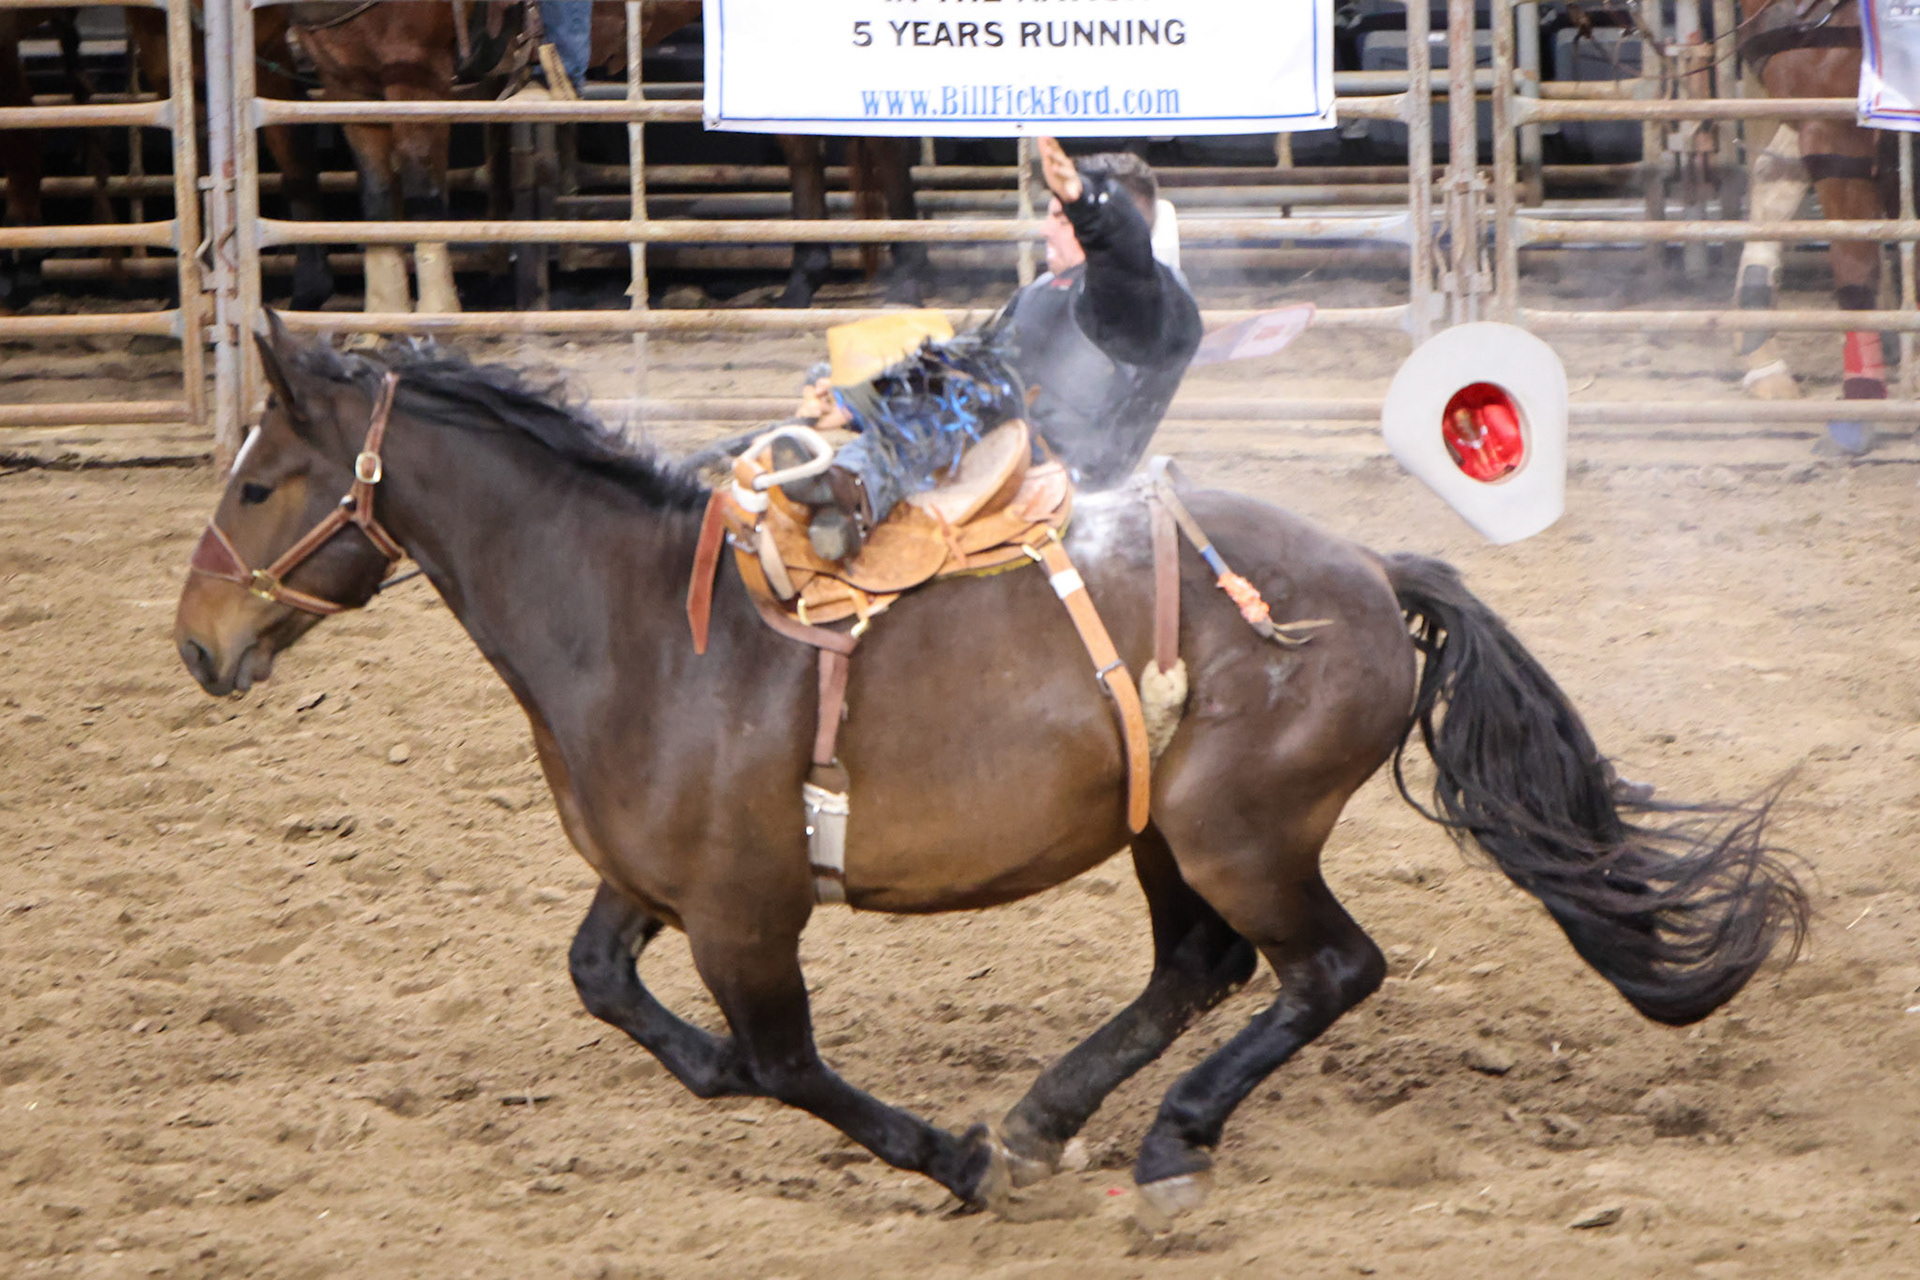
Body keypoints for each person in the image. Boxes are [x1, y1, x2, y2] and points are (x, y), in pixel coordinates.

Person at [789, 137, 1203, 560]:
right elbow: (974, 379)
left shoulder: (1150, 305)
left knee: (903, 447)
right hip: (999, 448)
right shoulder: (1043, 293)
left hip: (1054, 482)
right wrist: (861, 401)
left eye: (1060, 218)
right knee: (852, 384)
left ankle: (846, 488)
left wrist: (1091, 204)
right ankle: (847, 471)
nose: (1045, 229)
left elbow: (1125, 265)